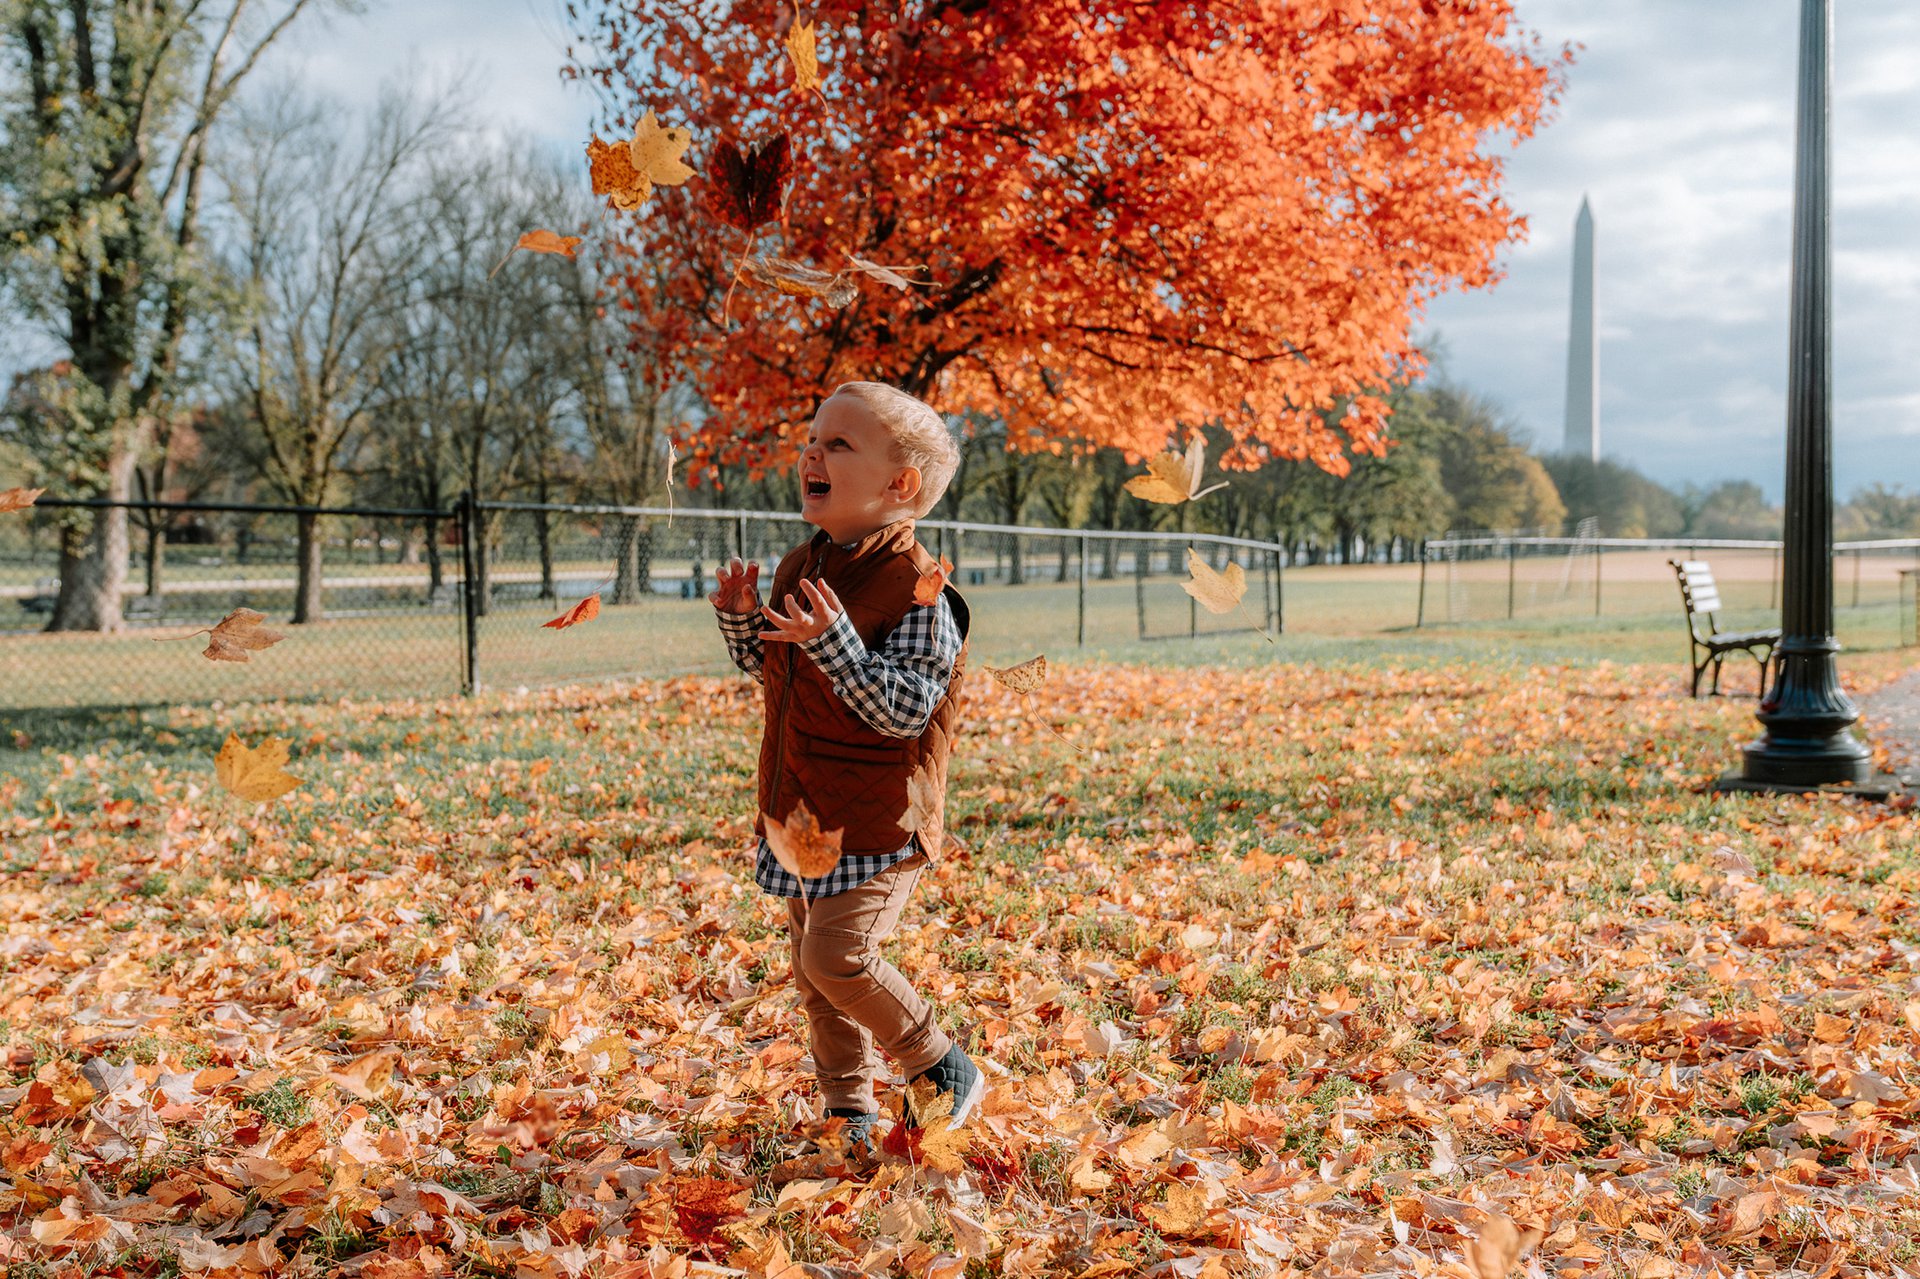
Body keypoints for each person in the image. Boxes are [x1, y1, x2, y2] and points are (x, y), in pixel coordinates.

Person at [710, 381, 982, 1162]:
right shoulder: (808, 562)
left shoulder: (921, 589)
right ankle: (847, 1109)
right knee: (813, 970)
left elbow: (902, 708)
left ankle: (942, 1064)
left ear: (899, 486)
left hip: (881, 816)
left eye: (839, 444)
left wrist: (834, 642)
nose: (812, 454)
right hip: (806, 805)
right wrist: (743, 618)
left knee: (839, 956)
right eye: (813, 439)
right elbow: (775, 671)